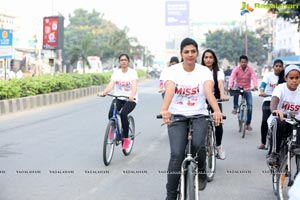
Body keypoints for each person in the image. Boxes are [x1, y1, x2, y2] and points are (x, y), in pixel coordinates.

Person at [160, 38, 223, 200]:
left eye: (193, 51)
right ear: (181, 53)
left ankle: (202, 171)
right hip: (177, 115)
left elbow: (209, 91)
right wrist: (164, 109)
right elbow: (170, 89)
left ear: (197, 53)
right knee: (176, 155)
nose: (190, 55)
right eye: (186, 52)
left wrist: (216, 110)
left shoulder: (204, 71)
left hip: (199, 114)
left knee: (199, 145)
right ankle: (171, 195)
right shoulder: (172, 71)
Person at [98, 53, 138, 150]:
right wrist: (104, 92)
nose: (123, 62)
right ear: (119, 62)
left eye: (125, 60)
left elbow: (134, 86)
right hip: (118, 97)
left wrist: (132, 95)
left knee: (123, 114)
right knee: (111, 114)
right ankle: (112, 128)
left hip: (130, 99)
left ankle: (125, 139)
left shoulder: (132, 73)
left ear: (128, 62)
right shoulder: (116, 72)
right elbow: (111, 85)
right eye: (121, 60)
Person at [267, 65, 300, 165]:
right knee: (278, 121)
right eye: (291, 78)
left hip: (296, 122)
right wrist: (275, 110)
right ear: (285, 78)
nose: (294, 80)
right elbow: (274, 101)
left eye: (297, 78)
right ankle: (274, 153)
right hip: (281, 120)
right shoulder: (280, 88)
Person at [201, 49, 227, 160]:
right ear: (202, 59)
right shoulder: (198, 70)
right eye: (206, 57)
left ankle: (218, 146)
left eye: (210, 57)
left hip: (215, 100)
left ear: (214, 59)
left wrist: (222, 94)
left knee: (218, 123)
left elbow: (220, 83)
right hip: (201, 100)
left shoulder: (218, 71)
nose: (208, 59)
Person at [258, 59, 285, 150]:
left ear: (282, 67)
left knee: (281, 120)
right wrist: (262, 91)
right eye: (276, 66)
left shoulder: (284, 77)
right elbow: (263, 85)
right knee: (265, 120)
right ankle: (263, 142)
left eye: (280, 66)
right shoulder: (268, 76)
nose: (278, 68)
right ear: (273, 67)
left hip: (280, 101)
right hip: (268, 99)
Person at [228, 55, 258, 131]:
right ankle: (235, 107)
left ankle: (248, 124)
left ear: (247, 62)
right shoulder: (236, 69)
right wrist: (230, 85)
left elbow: (254, 77)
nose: (243, 63)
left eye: (245, 62)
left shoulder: (250, 69)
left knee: (250, 106)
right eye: (242, 62)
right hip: (238, 87)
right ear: (240, 62)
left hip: (247, 88)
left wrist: (255, 86)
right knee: (235, 92)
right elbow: (232, 77)